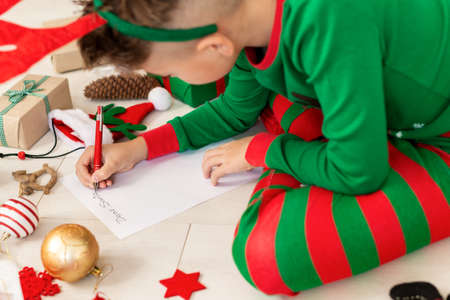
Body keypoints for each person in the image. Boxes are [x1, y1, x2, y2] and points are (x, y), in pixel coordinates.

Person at [75, 0, 450, 295]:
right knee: (288, 110)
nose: (169, 79)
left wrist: (264, 151)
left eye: (170, 72)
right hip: (381, 107)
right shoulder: (249, 20)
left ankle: (315, 153)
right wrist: (138, 148)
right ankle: (320, 150)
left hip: (436, 136)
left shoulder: (329, 23)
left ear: (215, 47)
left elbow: (359, 172)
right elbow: (236, 110)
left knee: (269, 257)